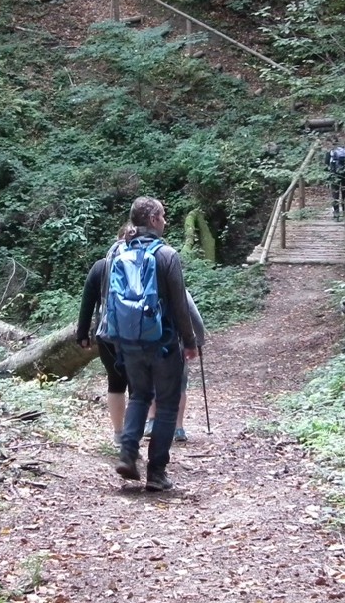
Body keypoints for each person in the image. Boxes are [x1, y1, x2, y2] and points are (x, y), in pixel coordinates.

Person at [102, 196, 197, 492]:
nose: (165, 221)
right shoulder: (166, 255)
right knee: (167, 404)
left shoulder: (118, 252)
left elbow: (109, 298)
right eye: (163, 216)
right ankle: (156, 472)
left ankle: (128, 454)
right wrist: (190, 341)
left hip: (128, 340)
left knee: (140, 396)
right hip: (163, 342)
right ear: (154, 219)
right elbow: (180, 305)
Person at [76, 225, 136, 447]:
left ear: (117, 239)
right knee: (138, 385)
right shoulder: (144, 262)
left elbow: (87, 302)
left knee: (116, 382)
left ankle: (119, 433)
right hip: (140, 333)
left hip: (107, 333)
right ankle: (135, 434)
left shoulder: (101, 266)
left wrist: (83, 334)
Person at [143, 290, 204, 442]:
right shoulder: (180, 291)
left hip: (149, 342)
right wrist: (198, 341)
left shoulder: (144, 289)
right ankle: (178, 428)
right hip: (176, 342)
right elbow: (196, 318)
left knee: (152, 381)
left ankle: (151, 421)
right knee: (180, 385)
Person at [325, 145, 345, 221]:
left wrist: (328, 178)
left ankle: (336, 214)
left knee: (335, 195)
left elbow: (326, 165)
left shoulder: (330, 152)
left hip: (334, 176)